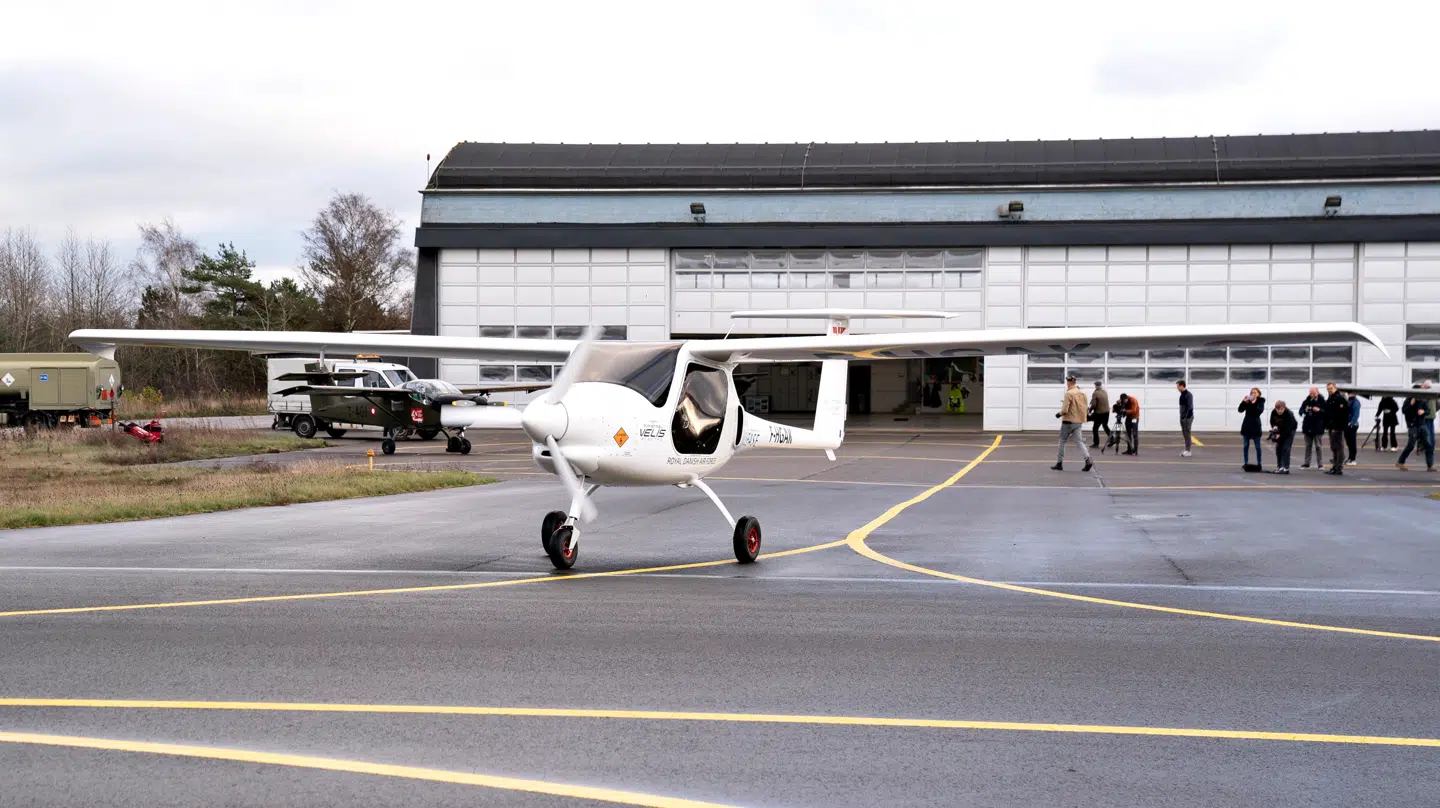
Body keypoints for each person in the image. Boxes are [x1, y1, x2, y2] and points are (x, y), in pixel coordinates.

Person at [1052, 375, 1093, 472]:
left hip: (1068, 421)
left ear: (1069, 382)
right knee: (1079, 442)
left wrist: (1059, 414)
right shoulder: (1082, 393)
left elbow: (1065, 410)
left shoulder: (1069, 394)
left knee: (1062, 441)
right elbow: (1085, 407)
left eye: (1067, 382)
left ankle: (1059, 463)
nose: (1067, 384)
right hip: (1078, 421)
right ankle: (1087, 460)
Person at [1398, 382, 1437, 472]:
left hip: (1422, 424)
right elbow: (1404, 411)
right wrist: (1411, 405)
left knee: (1429, 444)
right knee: (1411, 445)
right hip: (1413, 425)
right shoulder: (1408, 400)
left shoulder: (1422, 400)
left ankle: (1430, 466)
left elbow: (1428, 411)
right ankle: (1401, 462)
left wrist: (1423, 412)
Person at [1323, 382, 1350, 475]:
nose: (1329, 390)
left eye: (1330, 388)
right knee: (1333, 447)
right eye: (1328, 389)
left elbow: (1342, 415)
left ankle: (1338, 468)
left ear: (1335, 388)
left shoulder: (1340, 399)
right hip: (1331, 426)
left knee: (1339, 447)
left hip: (1337, 427)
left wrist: (1337, 427)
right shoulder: (1331, 398)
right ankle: (1334, 467)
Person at [1238, 387, 1266, 469]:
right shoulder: (1248, 402)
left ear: (1258, 394)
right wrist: (1243, 402)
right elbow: (1240, 410)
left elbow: (1258, 412)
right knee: (1246, 445)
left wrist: (1252, 403)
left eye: (1255, 392)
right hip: (1247, 425)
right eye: (1252, 392)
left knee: (1257, 446)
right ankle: (1245, 462)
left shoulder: (1260, 402)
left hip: (1255, 426)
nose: (1253, 394)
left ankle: (1259, 463)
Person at [1299, 386, 1326, 469]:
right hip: (1307, 426)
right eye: (1310, 393)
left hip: (1318, 427)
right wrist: (1305, 411)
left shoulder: (1322, 401)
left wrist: (1319, 410)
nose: (1312, 395)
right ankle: (1307, 463)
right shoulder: (1306, 401)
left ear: (1317, 392)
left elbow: (1326, 412)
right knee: (1308, 446)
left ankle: (1320, 464)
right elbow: (1300, 412)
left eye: (1313, 393)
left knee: (1318, 446)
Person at [1268, 400, 1297, 474]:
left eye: (1281, 409)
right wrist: (1274, 426)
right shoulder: (1274, 412)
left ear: (1284, 408)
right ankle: (1280, 466)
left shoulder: (1289, 414)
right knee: (1278, 448)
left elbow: (1287, 428)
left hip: (1290, 430)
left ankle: (1286, 468)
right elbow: (1272, 421)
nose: (1279, 411)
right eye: (1278, 410)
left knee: (1286, 448)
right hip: (1280, 429)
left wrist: (1279, 434)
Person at [1089, 381, 1111, 448]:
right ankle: (1112, 439)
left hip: (1100, 413)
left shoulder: (1095, 393)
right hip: (1107, 412)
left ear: (1095, 386)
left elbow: (1094, 405)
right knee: (1105, 426)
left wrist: (1090, 410)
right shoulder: (1104, 392)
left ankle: (1096, 443)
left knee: (1095, 428)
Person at [1176, 380, 1194, 457]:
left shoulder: (1188, 395)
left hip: (1187, 418)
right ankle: (1186, 450)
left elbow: (1190, 407)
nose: (1177, 388)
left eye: (1178, 386)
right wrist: (1181, 416)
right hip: (1182, 417)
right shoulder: (1181, 395)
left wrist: (1186, 418)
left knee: (1187, 433)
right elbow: (1181, 407)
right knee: (1184, 433)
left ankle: (1188, 451)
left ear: (1182, 386)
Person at [1345, 391, 1362, 465]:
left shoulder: (1356, 402)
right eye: (1349, 393)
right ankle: (1350, 457)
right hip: (1347, 424)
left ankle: (1353, 459)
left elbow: (1356, 414)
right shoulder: (1348, 401)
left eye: (1351, 393)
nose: (1349, 394)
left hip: (1352, 425)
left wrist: (1351, 423)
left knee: (1352, 443)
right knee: (1349, 443)